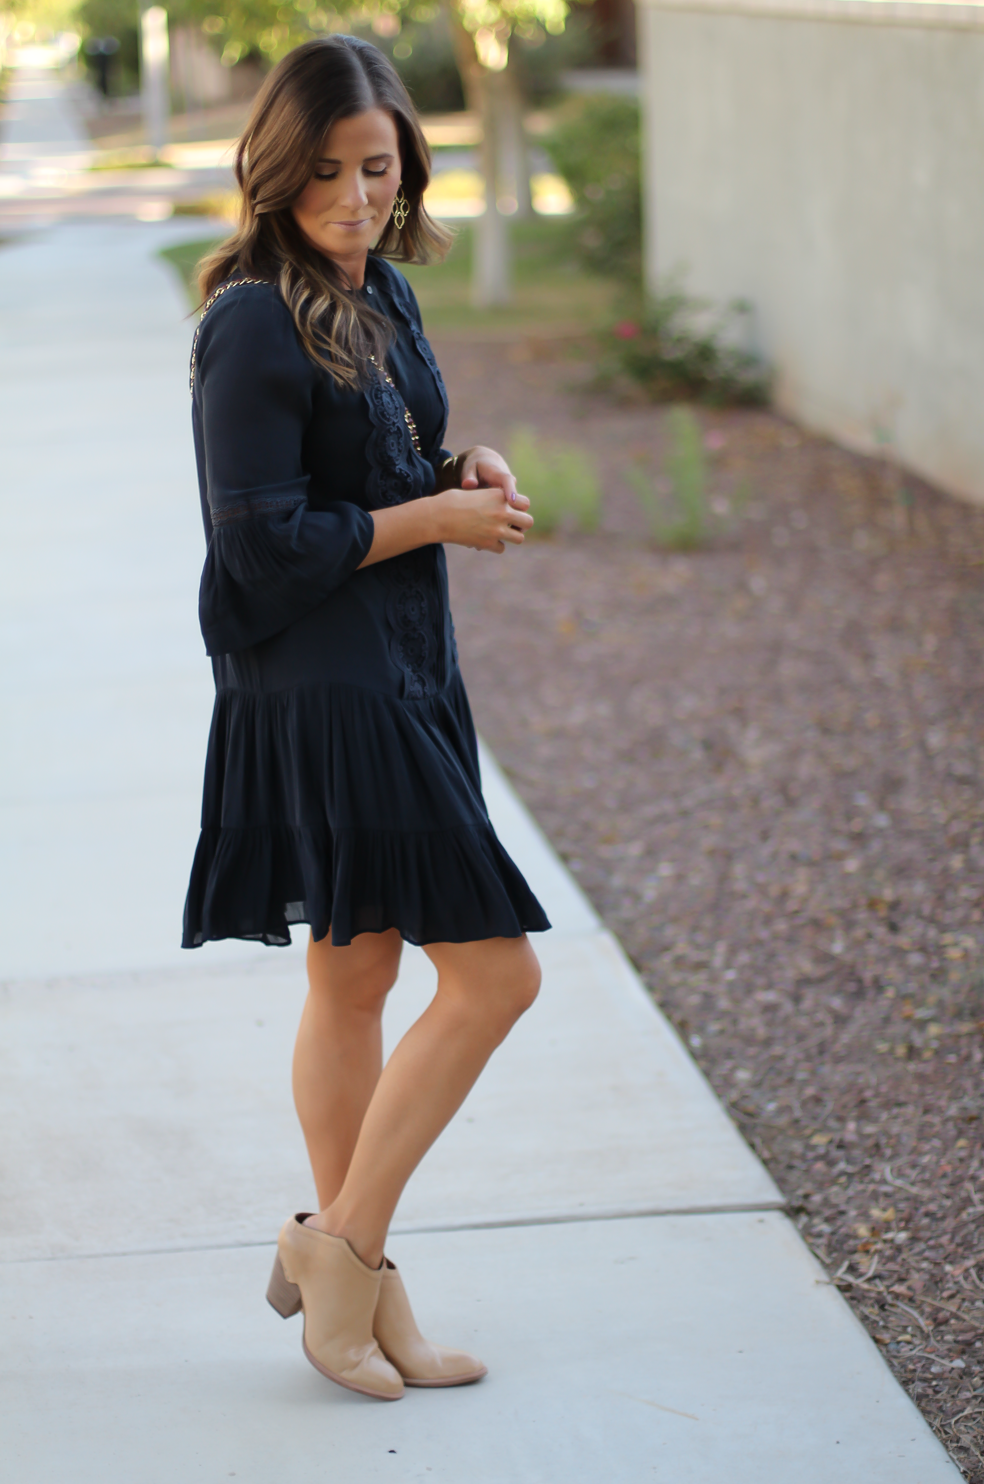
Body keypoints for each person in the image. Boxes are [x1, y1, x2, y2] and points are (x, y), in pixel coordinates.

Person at [181, 35, 550, 1401]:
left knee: (353, 978)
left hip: (403, 663)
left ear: (407, 170)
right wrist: (433, 519)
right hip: (323, 686)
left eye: (376, 168)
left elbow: (379, 461)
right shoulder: (249, 322)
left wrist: (465, 470)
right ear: (278, 173)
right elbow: (257, 554)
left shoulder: (381, 288)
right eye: (325, 170)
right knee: (496, 975)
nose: (351, 194)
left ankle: (356, 1279)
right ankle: (345, 1249)